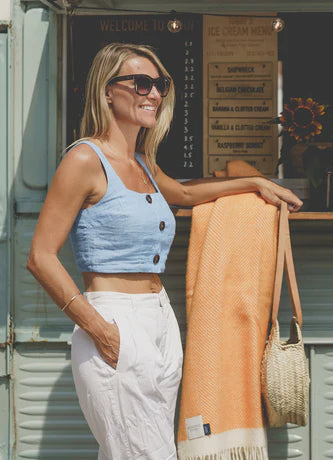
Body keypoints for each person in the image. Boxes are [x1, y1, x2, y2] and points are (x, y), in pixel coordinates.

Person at [26, 42, 303, 460]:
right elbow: (41, 256)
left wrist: (256, 183)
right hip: (114, 318)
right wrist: (100, 330)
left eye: (160, 84)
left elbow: (186, 193)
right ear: (107, 91)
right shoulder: (84, 160)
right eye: (141, 83)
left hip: (160, 319)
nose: (154, 94)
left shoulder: (142, 163)